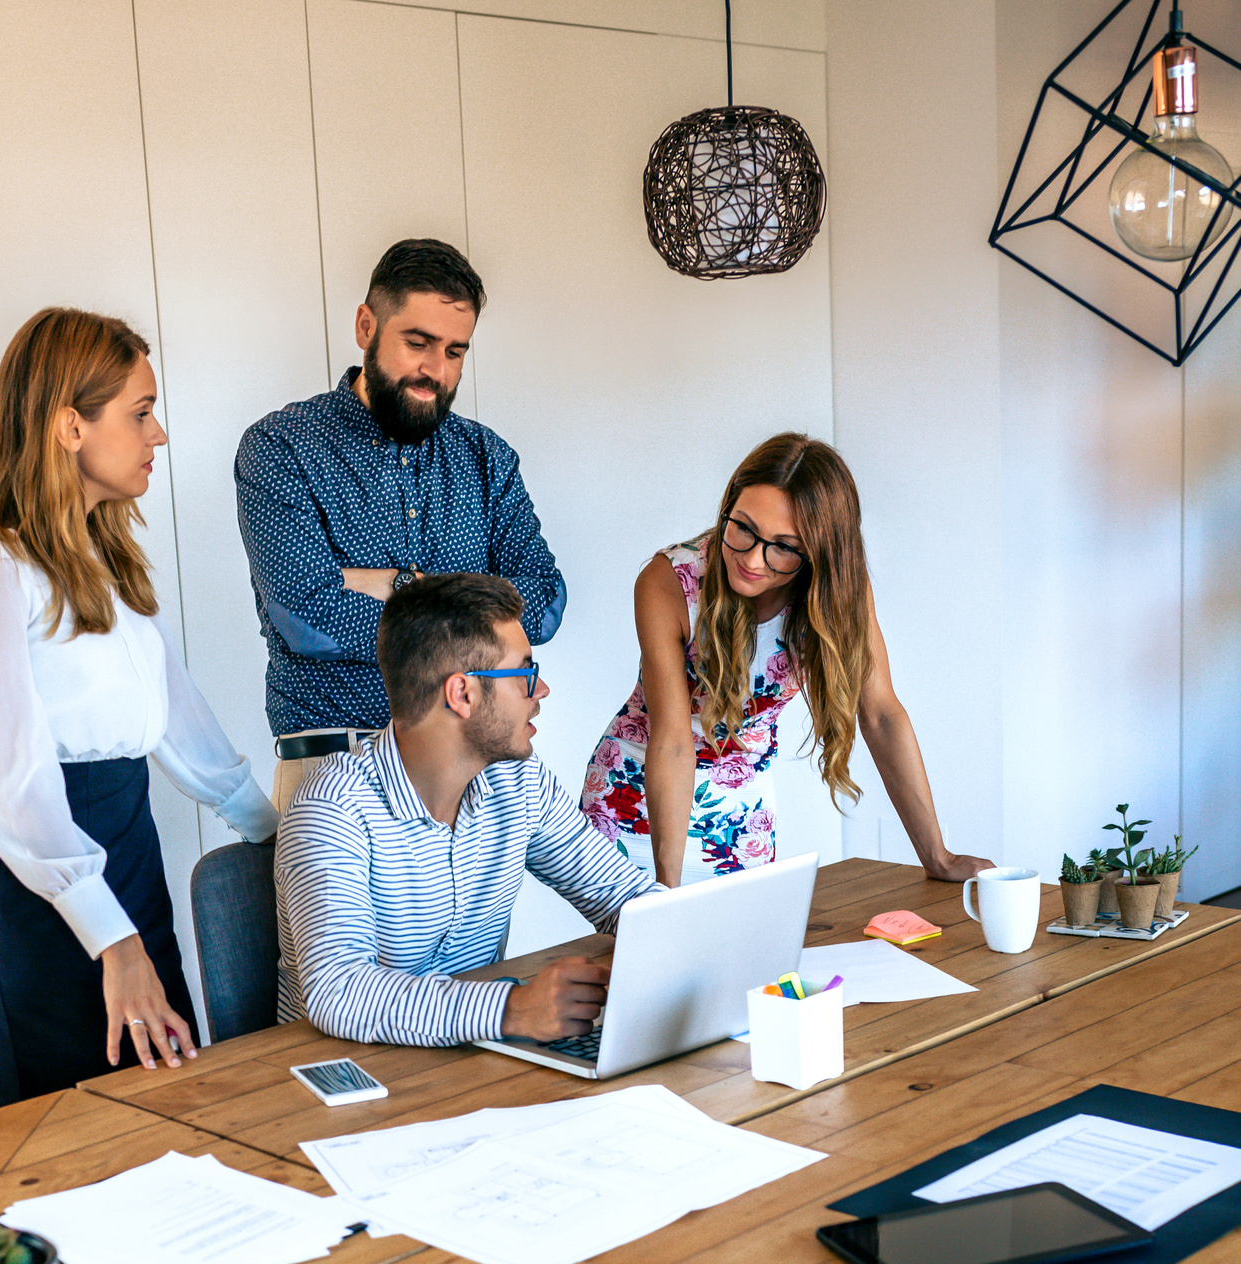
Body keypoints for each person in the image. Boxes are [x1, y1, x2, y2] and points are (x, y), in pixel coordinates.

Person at [0, 307, 278, 1115]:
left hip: (131, 870)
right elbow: (13, 778)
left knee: (176, 1126)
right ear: (68, 425)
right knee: (56, 1160)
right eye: (141, 412)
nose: (157, 435)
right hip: (33, 906)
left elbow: (182, 730)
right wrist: (111, 940)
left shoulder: (107, 563)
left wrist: (277, 835)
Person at [236, 238, 566, 809]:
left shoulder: (487, 458)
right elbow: (309, 618)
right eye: (418, 342)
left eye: (456, 351)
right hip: (335, 771)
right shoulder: (280, 448)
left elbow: (543, 603)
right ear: (366, 326)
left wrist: (396, 584)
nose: (436, 370)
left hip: (474, 772)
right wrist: (469, 602)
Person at [580, 434, 991, 888]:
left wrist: (938, 857)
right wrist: (668, 892)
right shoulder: (669, 583)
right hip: (638, 801)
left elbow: (880, 714)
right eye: (743, 528)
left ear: (818, 551)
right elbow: (674, 742)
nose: (753, 559)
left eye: (783, 546)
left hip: (741, 811)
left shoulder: (838, 590)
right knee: (656, 951)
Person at [277, 574, 656, 1046]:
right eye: (525, 673)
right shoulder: (333, 807)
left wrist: (710, 937)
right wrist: (513, 1008)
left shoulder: (517, 780)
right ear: (462, 694)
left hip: (473, 1067)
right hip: (341, 1085)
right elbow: (341, 991)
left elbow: (626, 899)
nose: (541, 692)